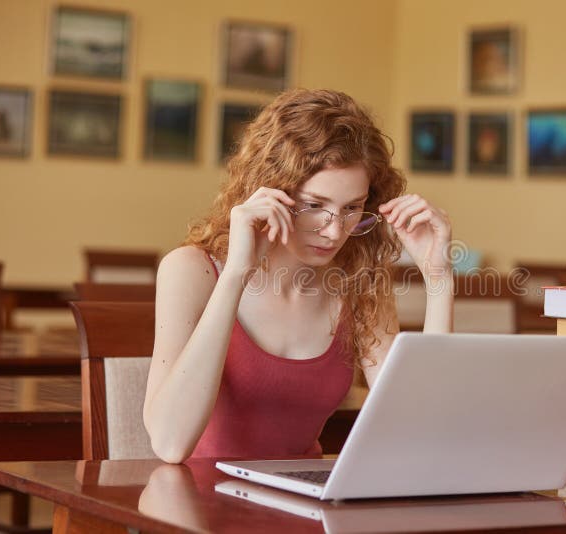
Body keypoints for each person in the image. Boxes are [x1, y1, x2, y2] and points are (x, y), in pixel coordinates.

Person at [143, 89, 453, 464]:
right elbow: (170, 444)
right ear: (270, 190)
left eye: (351, 208)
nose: (334, 231)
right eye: (314, 205)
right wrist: (237, 274)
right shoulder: (190, 270)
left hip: (303, 505)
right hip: (198, 506)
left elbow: (421, 426)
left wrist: (439, 280)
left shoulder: (359, 281)